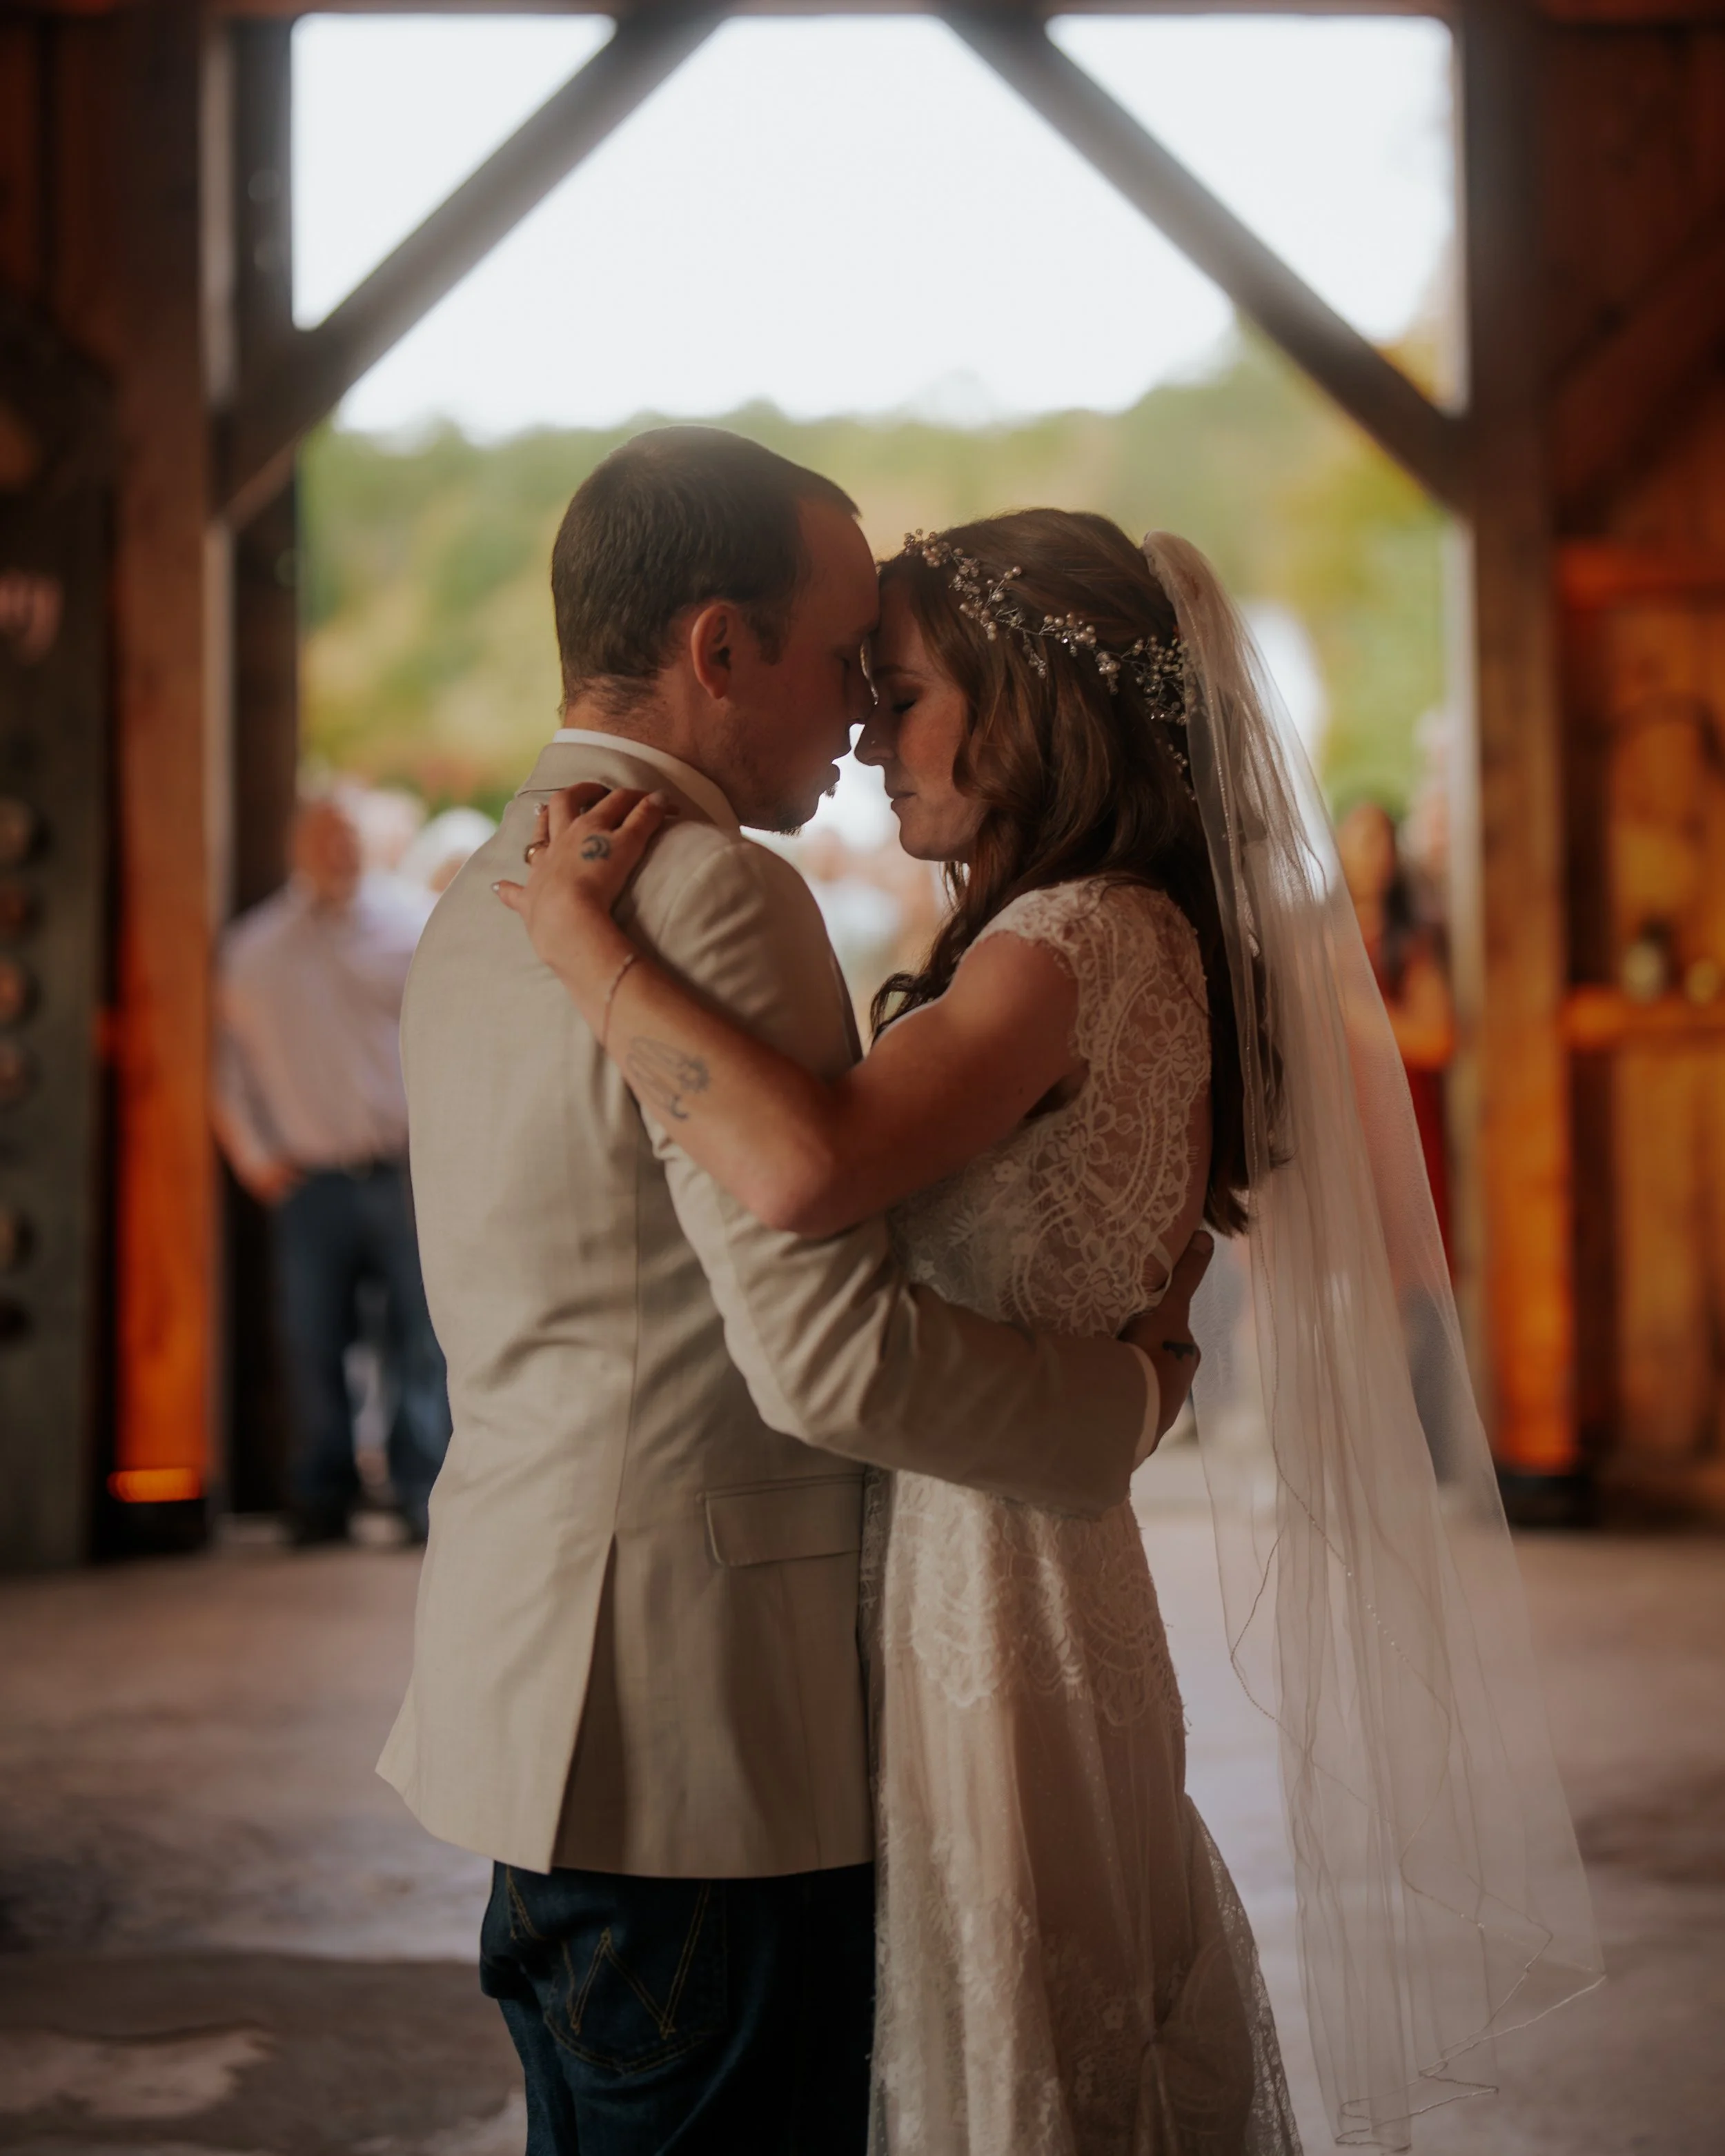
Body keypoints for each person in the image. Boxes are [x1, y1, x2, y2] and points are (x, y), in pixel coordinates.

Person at [501, 508, 1602, 2153]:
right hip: (1053, 1563)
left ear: (1024, 710)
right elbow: (1143, 1300)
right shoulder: (1146, 935)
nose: (871, 732)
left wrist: (588, 950)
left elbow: (810, 1167)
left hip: (985, 1582)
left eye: (906, 689)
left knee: (1005, 2039)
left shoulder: (1058, 944)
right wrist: (1130, 1386)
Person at [378, 433, 1206, 2156]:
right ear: (718, 650)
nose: (853, 715)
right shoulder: (708, 889)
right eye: (847, 665)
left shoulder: (494, 878)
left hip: (532, 1688)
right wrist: (1121, 1400)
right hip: (703, 1735)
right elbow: (826, 1356)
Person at [213, 794, 451, 1545]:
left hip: (404, 1171)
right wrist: (254, 1159)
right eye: (323, 839)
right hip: (310, 1181)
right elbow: (227, 1067)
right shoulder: (253, 949)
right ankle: (321, 1496)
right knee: (313, 1339)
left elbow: (454, 1033)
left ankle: (422, 1494)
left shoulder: (416, 927)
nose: (338, 852)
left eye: (348, 838)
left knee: (422, 1337)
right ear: (296, 848)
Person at [1335, 799, 1455, 1260]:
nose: (1378, 852)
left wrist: (1351, 1008)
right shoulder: (1316, 937)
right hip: (1345, 1123)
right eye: (1366, 838)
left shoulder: (1409, 941)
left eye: (1386, 838)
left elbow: (1437, 1038)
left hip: (1404, 1121)